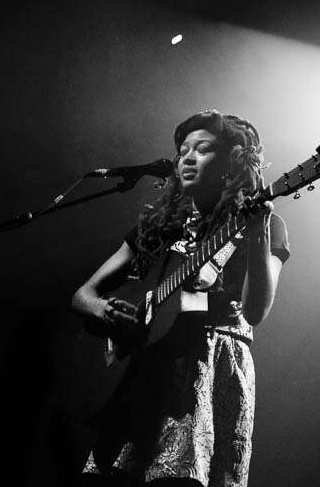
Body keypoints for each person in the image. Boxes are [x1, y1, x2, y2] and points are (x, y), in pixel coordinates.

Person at [71, 109, 290, 487]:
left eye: (202, 149)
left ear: (229, 163)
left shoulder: (261, 225)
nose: (187, 157)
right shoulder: (160, 225)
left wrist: (256, 234)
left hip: (210, 365)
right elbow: (83, 295)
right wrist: (113, 314)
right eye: (183, 150)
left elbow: (256, 312)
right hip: (146, 367)